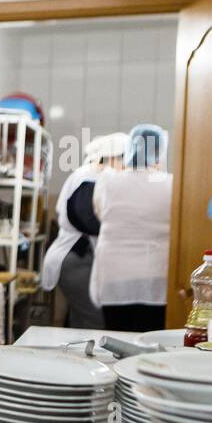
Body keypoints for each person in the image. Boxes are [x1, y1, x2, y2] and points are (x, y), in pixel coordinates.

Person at [89, 123, 172, 332]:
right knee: (150, 336)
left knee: (117, 335)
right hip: (154, 271)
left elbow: (99, 213)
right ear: (159, 152)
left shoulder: (107, 180)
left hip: (115, 271)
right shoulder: (169, 183)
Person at [41, 132, 128, 329]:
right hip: (77, 259)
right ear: (112, 158)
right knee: (94, 322)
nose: (126, 169)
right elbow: (87, 220)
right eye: (125, 162)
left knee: (80, 321)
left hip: (78, 258)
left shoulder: (92, 177)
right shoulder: (89, 178)